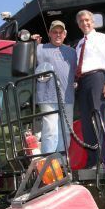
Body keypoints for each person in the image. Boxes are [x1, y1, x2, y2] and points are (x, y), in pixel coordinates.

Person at [75, 10, 105, 168]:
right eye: (81, 21)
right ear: (78, 25)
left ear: (92, 22)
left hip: (97, 78)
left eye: (87, 20)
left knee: (99, 118)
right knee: (86, 122)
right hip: (82, 82)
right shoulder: (79, 44)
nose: (84, 23)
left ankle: (104, 160)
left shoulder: (102, 38)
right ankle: (92, 160)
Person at [34, 20, 77, 154]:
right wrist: (32, 43)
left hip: (68, 98)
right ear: (49, 34)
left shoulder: (72, 52)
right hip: (47, 97)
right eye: (55, 32)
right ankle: (49, 162)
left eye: (60, 32)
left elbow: (78, 72)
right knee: (50, 130)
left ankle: (63, 162)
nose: (58, 35)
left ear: (65, 34)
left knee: (65, 130)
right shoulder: (39, 48)